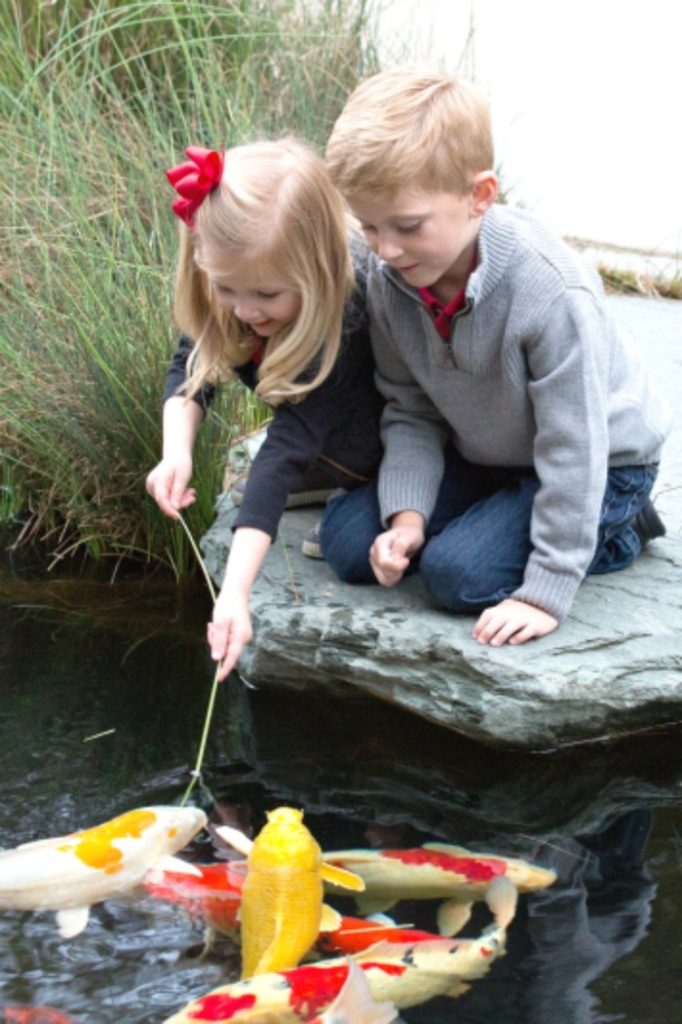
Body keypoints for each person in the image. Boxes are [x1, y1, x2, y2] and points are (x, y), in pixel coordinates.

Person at [321, 67, 672, 647]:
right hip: (492, 454)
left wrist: (545, 590)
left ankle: (619, 527)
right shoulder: (394, 279)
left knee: (457, 576)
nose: (384, 250)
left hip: (601, 464)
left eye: (407, 226)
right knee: (348, 541)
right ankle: (493, 516)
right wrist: (407, 522)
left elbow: (574, 445)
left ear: (480, 195)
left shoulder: (550, 291)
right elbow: (410, 409)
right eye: (369, 226)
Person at [146, 139, 383, 678]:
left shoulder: (345, 320)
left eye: (268, 296)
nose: (246, 310)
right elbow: (192, 363)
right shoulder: (242, 287)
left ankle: (385, 498)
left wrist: (234, 592)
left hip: (381, 446)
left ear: (316, 271)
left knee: (346, 541)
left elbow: (284, 448)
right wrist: (175, 452)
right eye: (227, 288)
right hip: (320, 441)